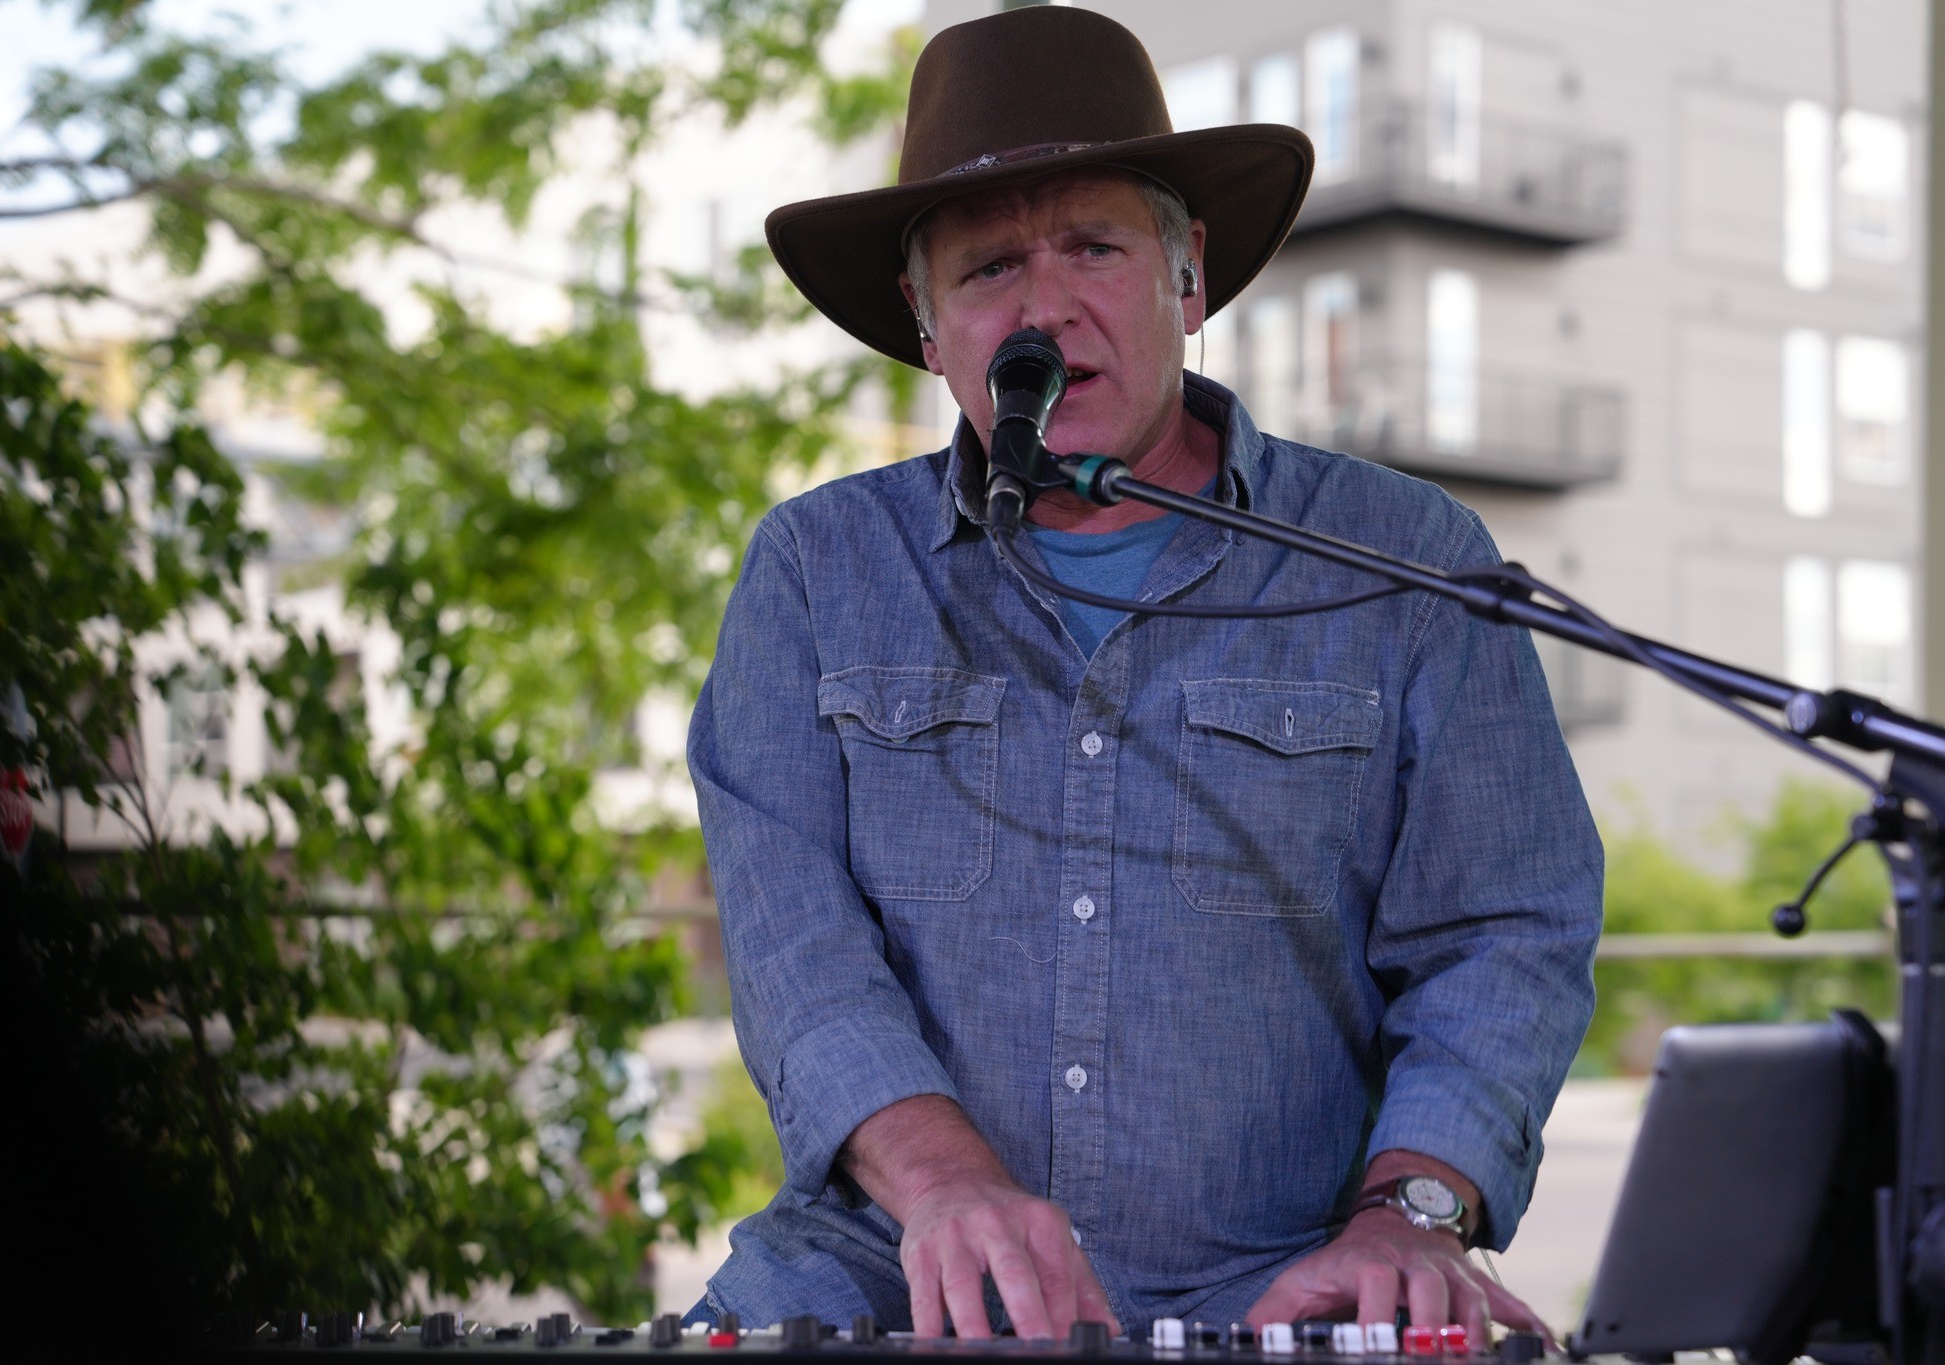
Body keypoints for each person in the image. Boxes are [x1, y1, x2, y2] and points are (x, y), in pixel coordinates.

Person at [686, 5, 1601, 1347]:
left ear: (1188, 279)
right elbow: (793, 948)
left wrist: (1411, 1213)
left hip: (1289, 1275)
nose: (1045, 306)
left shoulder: (1406, 556)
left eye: (1095, 247)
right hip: (894, 1267)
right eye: (990, 267)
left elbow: (1504, 929)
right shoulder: (817, 569)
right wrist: (945, 1187)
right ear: (929, 326)